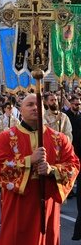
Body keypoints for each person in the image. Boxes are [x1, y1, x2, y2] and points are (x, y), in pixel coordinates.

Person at [0, 94, 80, 245]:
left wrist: (52, 170)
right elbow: (0, 167)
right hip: (18, 204)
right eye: (30, 104)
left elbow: (73, 165)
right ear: (20, 110)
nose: (35, 108)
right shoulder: (6, 138)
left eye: (38, 105)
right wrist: (28, 161)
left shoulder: (59, 138)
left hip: (47, 203)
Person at [65, 95, 81, 240]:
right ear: (70, 104)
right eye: (75, 104)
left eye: (79, 104)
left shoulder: (80, 117)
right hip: (72, 151)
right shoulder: (66, 117)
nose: (78, 106)